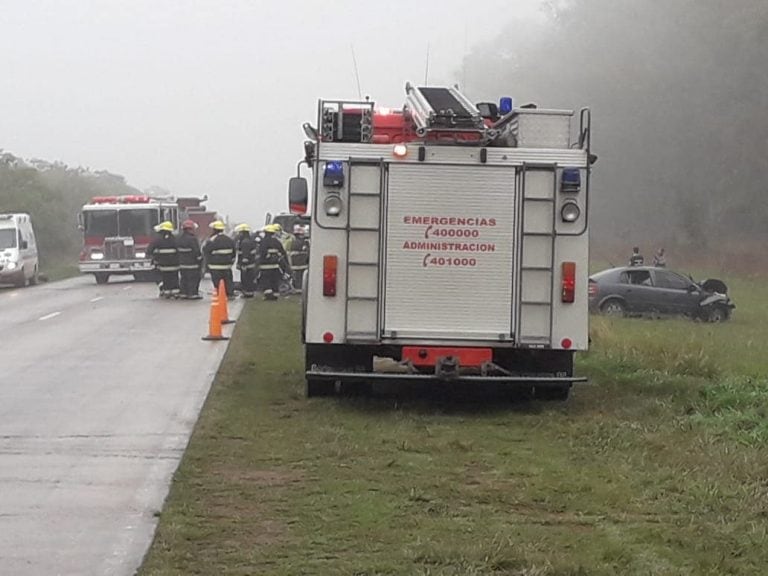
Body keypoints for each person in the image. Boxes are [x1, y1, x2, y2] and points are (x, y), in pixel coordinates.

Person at [146, 220, 180, 298]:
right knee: (174, 279)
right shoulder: (175, 239)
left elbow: (149, 251)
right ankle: (175, 292)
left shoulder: (157, 240)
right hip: (175, 266)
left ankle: (165, 291)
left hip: (162, 265)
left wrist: (154, 257)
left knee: (165, 279)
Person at [203, 220, 236, 298]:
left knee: (217, 282)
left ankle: (219, 294)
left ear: (214, 229)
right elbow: (233, 253)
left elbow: (206, 251)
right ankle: (229, 294)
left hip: (215, 266)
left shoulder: (212, 240)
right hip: (227, 266)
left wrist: (208, 263)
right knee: (228, 281)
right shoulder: (229, 239)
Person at [259, 224, 289, 300]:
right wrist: (285, 265)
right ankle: (275, 295)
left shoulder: (263, 242)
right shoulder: (277, 242)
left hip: (265, 266)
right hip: (275, 266)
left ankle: (268, 296)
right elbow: (283, 253)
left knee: (266, 281)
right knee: (274, 281)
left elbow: (261, 253)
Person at [177, 219, 203, 299]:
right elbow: (196, 252)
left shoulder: (179, 238)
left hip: (182, 265)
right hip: (193, 265)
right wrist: (200, 261)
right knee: (193, 279)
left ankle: (183, 293)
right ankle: (193, 294)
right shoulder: (193, 239)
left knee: (184, 279)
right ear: (190, 229)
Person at [234, 223, 258, 298]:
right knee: (249, 279)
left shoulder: (245, 242)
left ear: (243, 233)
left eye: (240, 233)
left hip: (246, 266)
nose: (239, 235)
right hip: (250, 265)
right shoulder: (250, 240)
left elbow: (245, 255)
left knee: (246, 280)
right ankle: (249, 293)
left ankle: (247, 293)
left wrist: (243, 265)